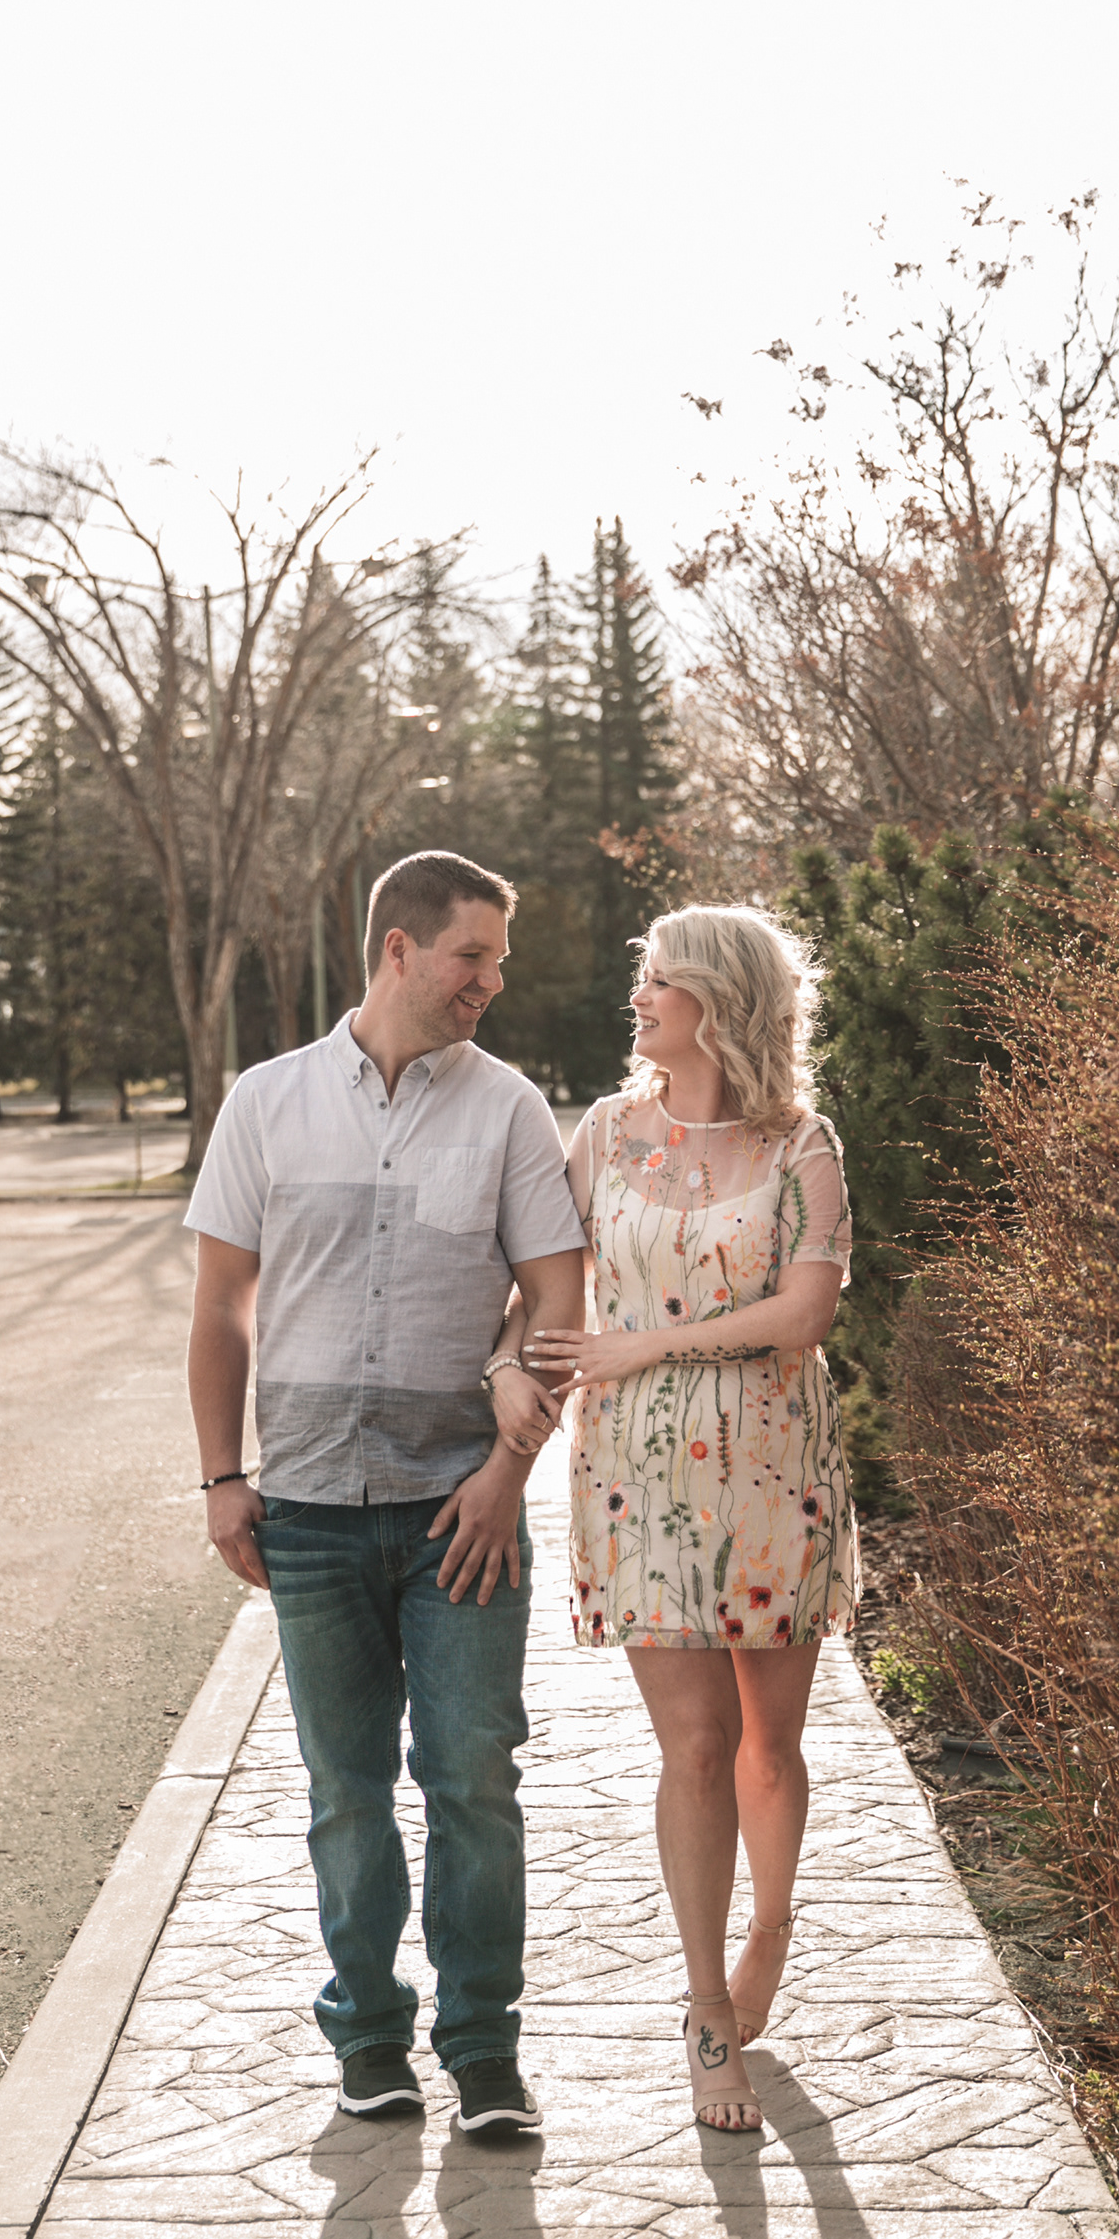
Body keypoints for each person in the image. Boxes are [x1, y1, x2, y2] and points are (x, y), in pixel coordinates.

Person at [185, 851, 585, 2135]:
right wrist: (221, 1479)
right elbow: (221, 1308)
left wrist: (504, 1473)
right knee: (343, 1789)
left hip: (462, 1510)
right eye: (476, 955)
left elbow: (556, 1305)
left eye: (499, 960)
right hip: (303, 1507)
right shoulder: (268, 1102)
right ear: (400, 949)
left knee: (473, 1775)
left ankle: (481, 2054)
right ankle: (367, 2040)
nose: (493, 981)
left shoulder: (510, 1109)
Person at [507, 905, 859, 2131]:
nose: (639, 1000)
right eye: (642, 980)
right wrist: (514, 1385)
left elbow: (804, 1316)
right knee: (696, 1749)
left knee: (770, 1745)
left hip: (774, 1477)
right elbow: (542, 1289)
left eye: (658, 982)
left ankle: (773, 1924)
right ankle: (707, 2008)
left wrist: (643, 1343)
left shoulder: (802, 1146)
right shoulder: (602, 1135)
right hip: (637, 1484)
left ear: (718, 998)